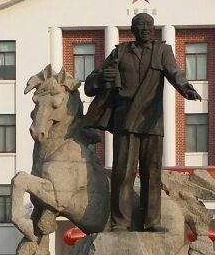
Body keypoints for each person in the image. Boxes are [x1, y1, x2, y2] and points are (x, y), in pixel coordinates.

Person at [83, 12, 202, 231]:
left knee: (152, 173)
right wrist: (101, 79)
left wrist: (186, 88)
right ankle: (120, 222)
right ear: (133, 29)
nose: (145, 28)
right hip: (124, 121)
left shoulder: (162, 50)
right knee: (123, 172)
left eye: (149, 24)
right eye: (140, 25)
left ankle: (152, 222)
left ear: (154, 28)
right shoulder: (120, 52)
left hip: (151, 120)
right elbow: (90, 84)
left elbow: (175, 73)